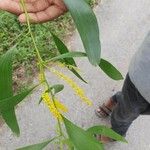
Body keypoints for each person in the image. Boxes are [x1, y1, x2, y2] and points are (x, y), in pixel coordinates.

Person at [0, 0, 150, 144]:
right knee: (129, 104)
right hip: (142, 77)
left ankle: (116, 129)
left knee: (130, 109)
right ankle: (118, 115)